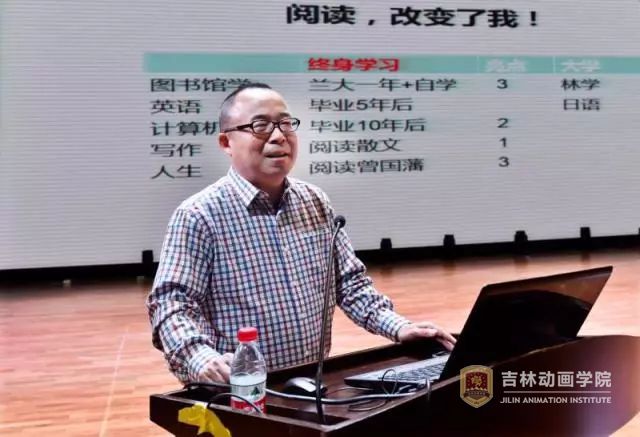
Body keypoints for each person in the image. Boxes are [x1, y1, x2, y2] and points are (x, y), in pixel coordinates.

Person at [146, 82, 456, 384]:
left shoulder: (314, 201)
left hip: (312, 383)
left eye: (285, 124)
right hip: (239, 390)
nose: (279, 136)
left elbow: (350, 285)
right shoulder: (199, 215)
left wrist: (400, 328)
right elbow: (171, 304)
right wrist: (201, 358)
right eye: (260, 126)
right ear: (227, 142)